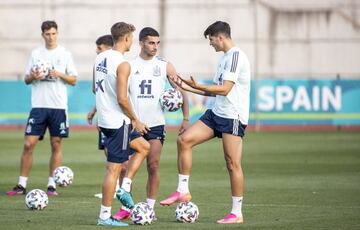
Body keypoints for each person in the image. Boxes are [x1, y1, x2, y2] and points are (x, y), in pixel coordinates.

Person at [160, 21, 251, 225]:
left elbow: (225, 89)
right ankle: (183, 190)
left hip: (232, 116)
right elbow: (213, 90)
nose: (211, 45)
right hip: (217, 113)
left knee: (232, 163)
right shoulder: (224, 59)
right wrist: (187, 86)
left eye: (211, 40)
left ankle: (237, 213)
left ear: (220, 37)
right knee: (184, 140)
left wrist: (198, 85)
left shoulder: (236, 56)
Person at [113, 27, 189, 220]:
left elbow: (181, 91)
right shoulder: (128, 66)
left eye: (157, 43)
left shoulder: (165, 66)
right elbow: (121, 97)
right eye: (151, 43)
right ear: (141, 43)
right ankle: (126, 208)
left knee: (153, 165)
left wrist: (186, 117)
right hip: (132, 124)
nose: (155, 47)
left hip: (155, 125)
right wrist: (132, 120)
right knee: (124, 166)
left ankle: (149, 208)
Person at [6, 20, 77, 197]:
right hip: (38, 106)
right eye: (47, 34)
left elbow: (74, 79)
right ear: (42, 35)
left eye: (53, 33)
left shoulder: (64, 54)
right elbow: (26, 79)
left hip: (58, 106)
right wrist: (33, 76)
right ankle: (22, 184)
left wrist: (59, 73)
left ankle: (51, 184)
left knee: (56, 144)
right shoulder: (36, 53)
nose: (51, 37)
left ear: (57, 34)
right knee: (28, 144)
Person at [94, 22, 150, 227]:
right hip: (118, 122)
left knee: (144, 147)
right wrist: (135, 119)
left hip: (105, 120)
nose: (132, 41)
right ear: (126, 38)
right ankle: (104, 217)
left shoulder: (100, 57)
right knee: (113, 170)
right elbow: (122, 99)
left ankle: (125, 187)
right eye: (132, 38)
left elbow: (95, 88)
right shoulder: (123, 63)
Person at [87, 35, 125, 199]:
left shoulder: (119, 62)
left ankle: (122, 189)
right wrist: (95, 109)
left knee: (121, 158)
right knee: (110, 154)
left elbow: (117, 94)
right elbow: (100, 90)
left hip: (116, 118)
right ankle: (116, 187)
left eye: (99, 47)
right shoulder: (103, 62)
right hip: (107, 117)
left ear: (109, 47)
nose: (97, 50)